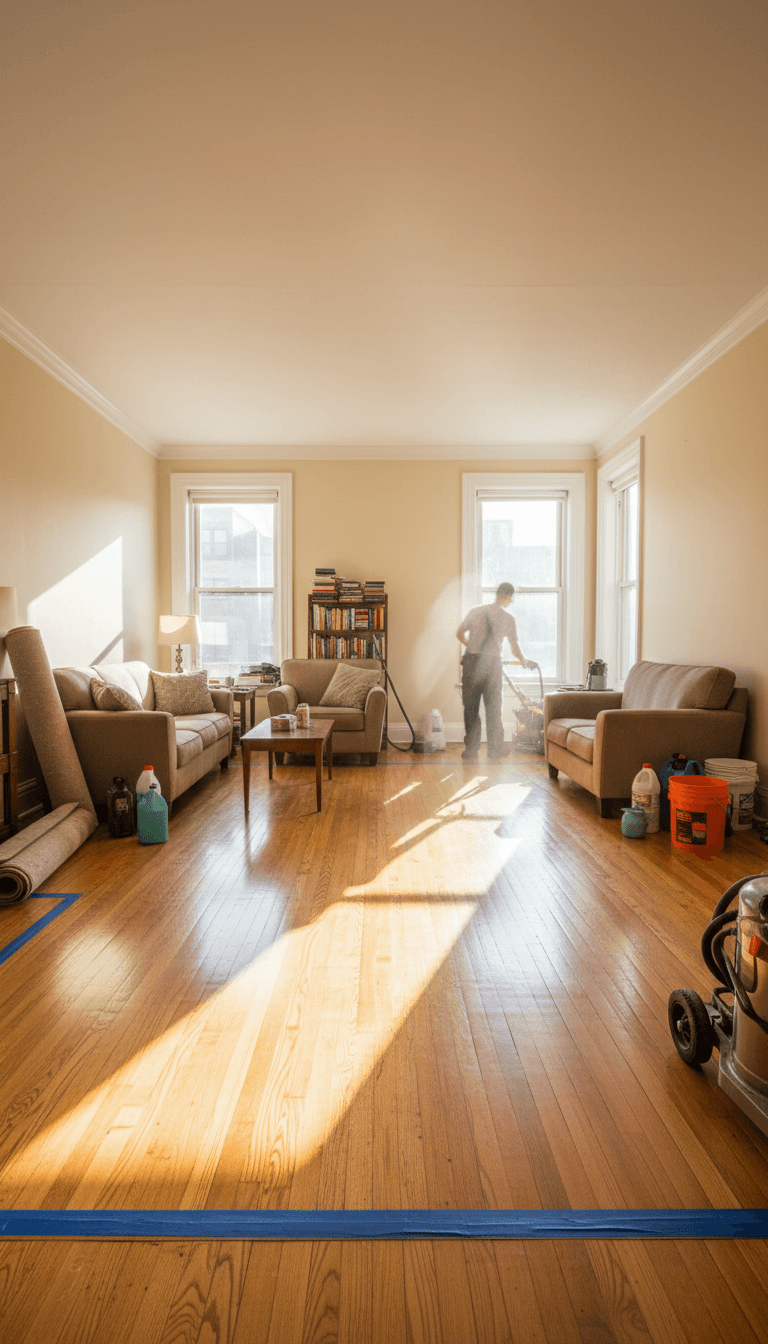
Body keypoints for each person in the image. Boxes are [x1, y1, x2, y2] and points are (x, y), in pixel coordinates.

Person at [456, 582, 537, 761]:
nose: (511, 601)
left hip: (471, 663)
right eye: (511, 598)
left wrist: (473, 648)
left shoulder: (476, 610)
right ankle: (495, 749)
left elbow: (460, 633)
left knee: (471, 708)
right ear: (506, 596)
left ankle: (471, 750)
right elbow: (514, 646)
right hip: (492, 666)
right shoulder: (508, 618)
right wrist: (523, 660)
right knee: (493, 709)